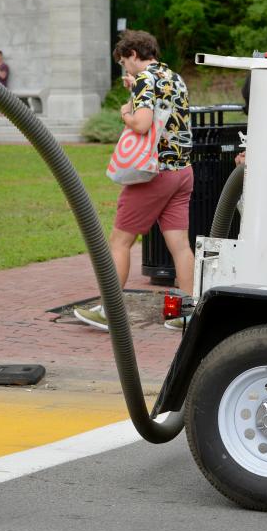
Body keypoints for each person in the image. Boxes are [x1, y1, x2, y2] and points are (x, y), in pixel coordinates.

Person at [74, 30, 194, 332]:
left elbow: (141, 125)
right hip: (182, 170)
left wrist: (125, 112)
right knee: (179, 245)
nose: (125, 69)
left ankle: (110, 312)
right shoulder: (174, 77)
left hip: (153, 173)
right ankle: (188, 312)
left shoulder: (144, 79)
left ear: (133, 55)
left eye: (124, 62)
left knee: (119, 241)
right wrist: (135, 92)